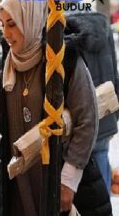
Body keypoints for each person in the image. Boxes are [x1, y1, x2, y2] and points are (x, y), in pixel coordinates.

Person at [0, 0, 98, 215]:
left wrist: (68, 181)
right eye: (2, 25)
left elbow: (87, 119)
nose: (6, 33)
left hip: (57, 180)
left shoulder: (63, 58)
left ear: (31, 18)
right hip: (19, 185)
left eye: (12, 24)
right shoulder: (4, 63)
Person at [65, 12, 119, 194]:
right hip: (104, 116)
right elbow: (115, 74)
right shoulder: (104, 26)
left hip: (77, 123)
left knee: (75, 192)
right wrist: (114, 117)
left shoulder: (63, 28)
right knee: (102, 189)